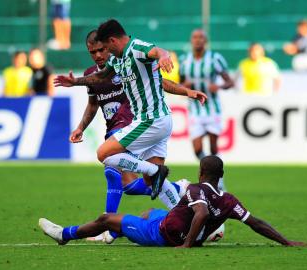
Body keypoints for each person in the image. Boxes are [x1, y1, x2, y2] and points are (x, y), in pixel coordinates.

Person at [54, 19, 207, 202]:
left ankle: (155, 172)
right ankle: (186, 207)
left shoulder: (137, 48)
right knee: (151, 183)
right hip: (160, 121)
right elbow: (102, 76)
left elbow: (158, 51)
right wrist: (75, 82)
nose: (105, 54)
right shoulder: (118, 60)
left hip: (150, 121)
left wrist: (164, 56)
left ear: (112, 41)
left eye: (106, 49)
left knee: (104, 153)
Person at [72, 30, 193, 242]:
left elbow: (159, 81)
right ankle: (180, 191)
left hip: (131, 123)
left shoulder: (128, 59)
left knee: (110, 167)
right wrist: (81, 127)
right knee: (130, 185)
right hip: (115, 127)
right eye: (93, 52)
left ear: (109, 44)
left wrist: (184, 91)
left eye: (102, 50)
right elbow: (92, 105)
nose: (99, 55)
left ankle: (110, 228)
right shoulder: (93, 74)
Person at [39, 155, 307, 248]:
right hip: (165, 221)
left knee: (106, 218)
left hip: (162, 235)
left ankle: (65, 234)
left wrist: (187, 244)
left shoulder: (194, 191)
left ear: (202, 173)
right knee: (148, 211)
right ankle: (116, 234)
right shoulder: (228, 200)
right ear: (221, 176)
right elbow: (256, 223)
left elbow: (200, 212)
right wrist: (286, 241)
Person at [179, 29, 234, 166]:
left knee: (213, 148)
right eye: (195, 37)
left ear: (206, 41)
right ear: (191, 40)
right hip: (195, 110)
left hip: (212, 108)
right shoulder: (184, 60)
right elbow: (179, 84)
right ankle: (210, 169)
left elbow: (230, 82)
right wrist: (184, 86)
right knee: (197, 150)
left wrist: (219, 87)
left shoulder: (215, 58)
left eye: (201, 37)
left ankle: (218, 180)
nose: (198, 40)